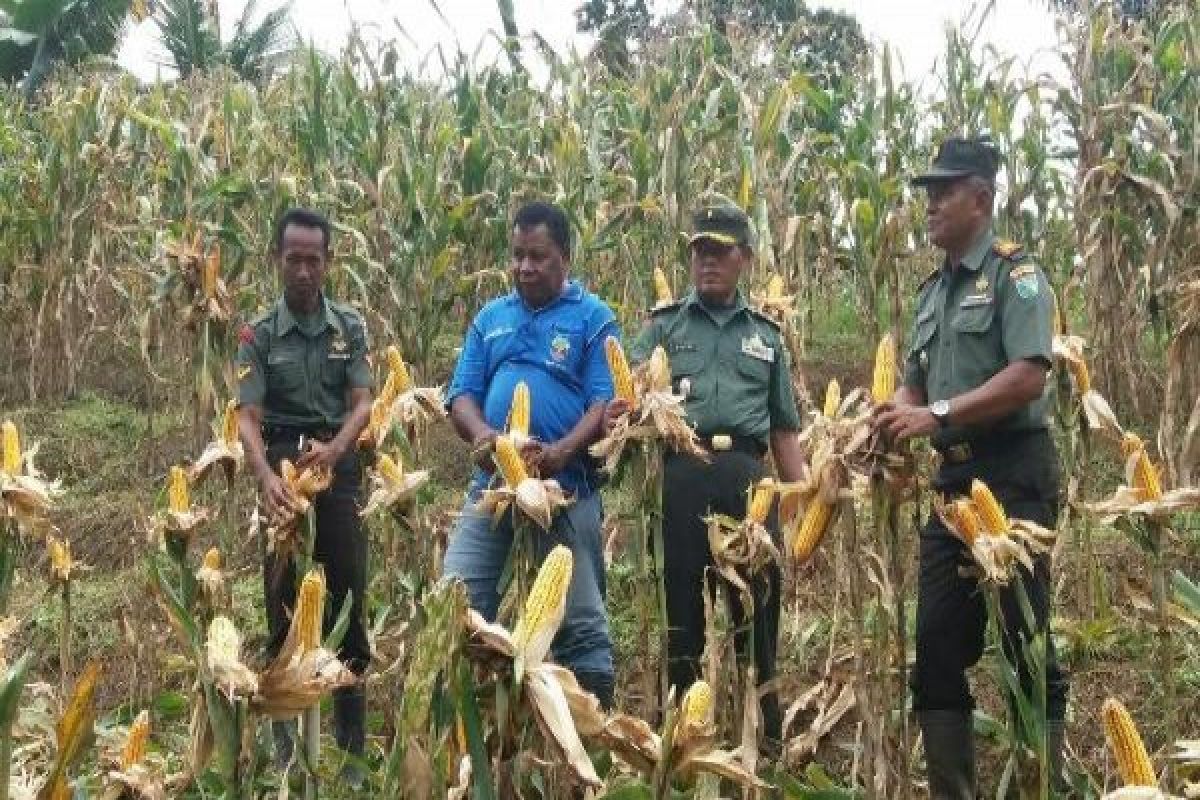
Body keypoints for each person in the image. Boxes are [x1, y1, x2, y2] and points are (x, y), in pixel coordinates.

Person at [873, 136, 1068, 798]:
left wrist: (939, 414)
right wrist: (897, 414)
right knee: (934, 650)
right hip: (952, 488)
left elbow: (1028, 377)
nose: (930, 206)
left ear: (981, 198)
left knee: (1026, 642)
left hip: (1013, 476)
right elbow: (915, 383)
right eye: (928, 193)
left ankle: (1037, 782)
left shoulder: (1017, 276)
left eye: (944, 193)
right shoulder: (933, 293)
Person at [623, 201, 808, 749]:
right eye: (699, 250)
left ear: (744, 259)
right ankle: (684, 734)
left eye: (719, 251)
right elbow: (628, 401)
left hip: (749, 482)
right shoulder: (663, 325)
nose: (707, 261)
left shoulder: (766, 335)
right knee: (682, 608)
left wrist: (799, 507)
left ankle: (764, 734)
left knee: (758, 607)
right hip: (683, 475)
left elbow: (784, 430)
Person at [442, 201, 618, 708]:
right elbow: (462, 396)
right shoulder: (490, 318)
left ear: (565, 256)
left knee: (581, 623)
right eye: (517, 255)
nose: (524, 267)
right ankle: (471, 722)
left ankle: (590, 737)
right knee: (457, 597)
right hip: (494, 487)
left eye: (537, 256)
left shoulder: (592, 318)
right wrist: (486, 439)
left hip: (565, 490)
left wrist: (562, 451)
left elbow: (602, 401)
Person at [236, 208, 373, 787]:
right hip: (284, 468)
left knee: (347, 606)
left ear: (328, 263)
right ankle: (286, 754)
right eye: (293, 259)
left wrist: (339, 449)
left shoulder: (349, 326)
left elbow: (363, 402)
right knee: (283, 610)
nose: (304, 270)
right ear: (278, 259)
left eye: (314, 260)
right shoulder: (259, 332)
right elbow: (246, 417)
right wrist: (267, 476)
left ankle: (351, 757)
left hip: (336, 465)